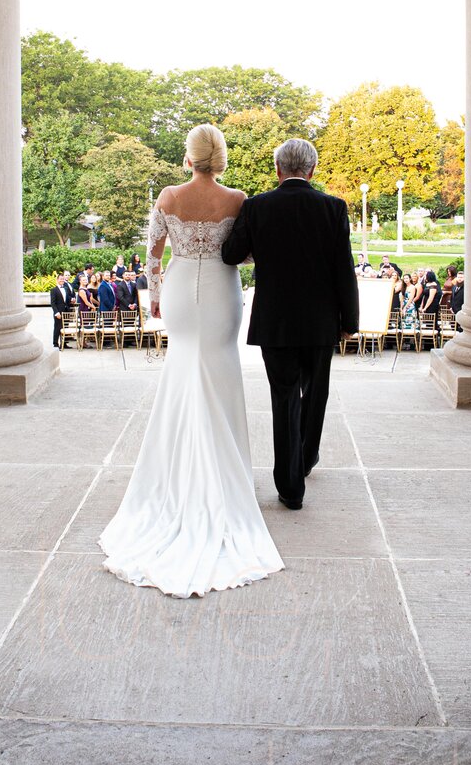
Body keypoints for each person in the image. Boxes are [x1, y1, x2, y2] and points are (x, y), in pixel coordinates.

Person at [99, 124, 283, 598]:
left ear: (189, 158)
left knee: (183, 371)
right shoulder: (239, 198)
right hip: (222, 293)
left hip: (180, 290)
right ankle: (225, 480)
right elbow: (242, 256)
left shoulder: (169, 195)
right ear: (220, 158)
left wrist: (155, 297)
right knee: (219, 373)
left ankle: (176, 479)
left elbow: (153, 252)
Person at [221, 138, 358, 511]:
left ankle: (290, 487)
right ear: (311, 170)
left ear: (277, 169)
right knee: (316, 394)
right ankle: (307, 455)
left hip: (276, 321)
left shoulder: (256, 207)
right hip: (320, 321)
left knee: (284, 399)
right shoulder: (333, 208)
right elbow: (343, 268)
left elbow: (230, 254)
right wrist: (351, 320)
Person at [49, 271, 74, 348]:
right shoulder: (54, 290)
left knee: (65, 327)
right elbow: (53, 303)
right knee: (57, 327)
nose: (62, 280)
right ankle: (55, 343)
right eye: (60, 279)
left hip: (66, 311)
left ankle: (64, 343)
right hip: (58, 312)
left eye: (63, 279)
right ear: (57, 280)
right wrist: (56, 313)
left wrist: (71, 299)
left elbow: (66, 298)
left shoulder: (65, 288)